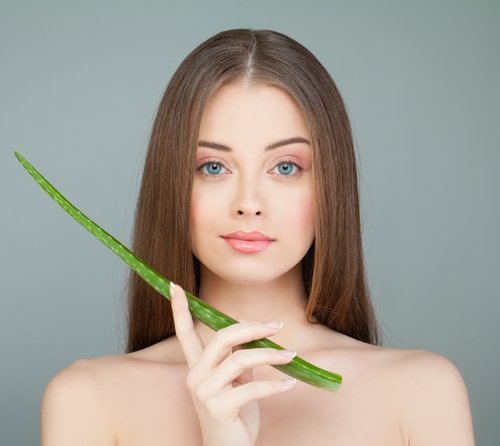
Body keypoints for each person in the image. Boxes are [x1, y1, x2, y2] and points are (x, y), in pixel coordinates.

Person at [40, 29, 475, 445]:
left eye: (285, 167)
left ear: (330, 188)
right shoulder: (87, 399)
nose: (249, 202)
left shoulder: (422, 392)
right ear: (172, 184)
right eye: (213, 167)